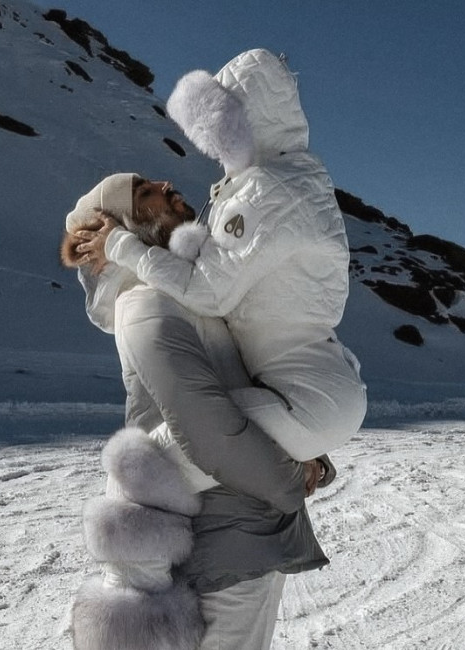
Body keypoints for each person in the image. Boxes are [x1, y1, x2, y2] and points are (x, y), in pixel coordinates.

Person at [65, 173, 330, 650]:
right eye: (145, 192)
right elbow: (202, 426)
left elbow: (252, 392)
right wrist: (291, 475)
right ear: (125, 226)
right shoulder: (145, 304)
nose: (165, 184)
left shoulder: (191, 298)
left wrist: (309, 451)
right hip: (221, 547)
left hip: (246, 531)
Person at [75, 48, 367, 466]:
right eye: (145, 192)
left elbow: (209, 292)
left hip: (303, 398)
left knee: (150, 466)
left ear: (238, 123)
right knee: (157, 463)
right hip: (313, 390)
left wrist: (121, 246)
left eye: (215, 128)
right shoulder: (285, 179)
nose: (212, 148)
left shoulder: (264, 191)